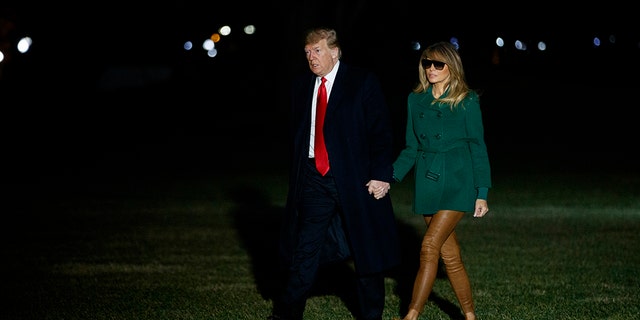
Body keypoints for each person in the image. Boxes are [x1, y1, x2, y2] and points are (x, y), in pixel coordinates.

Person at [268, 27, 400, 320]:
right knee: (305, 248)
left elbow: (380, 131)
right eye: (307, 52)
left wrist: (381, 173)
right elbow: (298, 132)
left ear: (335, 51)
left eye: (317, 51)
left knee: (365, 248)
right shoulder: (302, 86)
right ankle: (286, 314)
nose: (311, 58)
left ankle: (371, 315)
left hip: (356, 178)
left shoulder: (361, 82)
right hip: (315, 178)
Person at [391, 41, 492, 320]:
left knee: (428, 247)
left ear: (452, 67)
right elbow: (411, 147)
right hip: (428, 180)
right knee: (451, 257)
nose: (431, 69)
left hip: (458, 180)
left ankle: (411, 314)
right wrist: (390, 176)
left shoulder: (466, 100)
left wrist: (481, 191)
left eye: (438, 64)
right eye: (427, 63)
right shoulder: (416, 99)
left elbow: (477, 146)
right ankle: (470, 316)